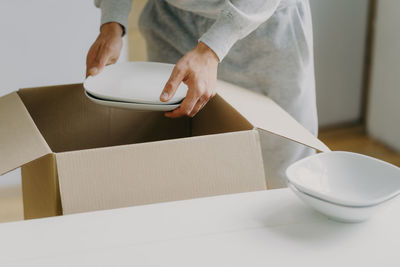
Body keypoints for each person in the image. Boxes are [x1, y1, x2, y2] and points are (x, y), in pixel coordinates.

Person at [86, 0, 318, 188]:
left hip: (261, 26)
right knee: (181, 156)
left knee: (278, 162)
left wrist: (211, 50)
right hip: (172, 20)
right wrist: (111, 22)